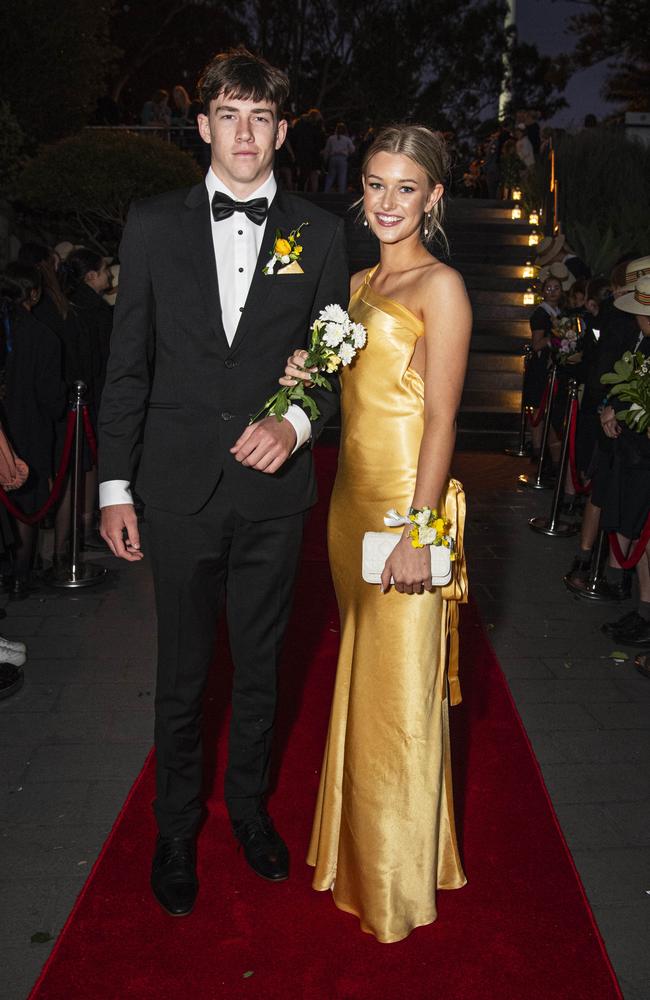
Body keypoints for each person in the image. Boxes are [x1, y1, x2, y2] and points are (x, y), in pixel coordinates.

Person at [98, 47, 348, 918]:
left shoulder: (319, 231)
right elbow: (127, 364)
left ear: (282, 129)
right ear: (202, 125)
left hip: (273, 497)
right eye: (230, 116)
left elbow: (329, 361)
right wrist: (113, 487)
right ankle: (174, 832)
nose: (246, 134)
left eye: (263, 117)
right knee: (182, 671)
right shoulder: (154, 221)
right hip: (173, 490)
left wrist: (297, 420)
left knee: (262, 668)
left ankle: (247, 811)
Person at [284, 124, 472, 942]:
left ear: (432, 197)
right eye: (374, 184)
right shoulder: (357, 282)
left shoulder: (442, 287)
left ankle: (395, 885)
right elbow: (350, 398)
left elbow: (441, 422)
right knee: (361, 684)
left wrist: (418, 534)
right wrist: (306, 374)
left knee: (398, 701)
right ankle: (358, 850)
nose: (386, 202)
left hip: (403, 514)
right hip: (347, 513)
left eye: (405, 187)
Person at [0, 264, 66, 598]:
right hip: (29, 429)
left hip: (10, 426)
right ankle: (19, 576)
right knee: (26, 505)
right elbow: (51, 397)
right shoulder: (42, 336)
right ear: (34, 294)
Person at [323, 122, 355, 193]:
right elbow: (352, 150)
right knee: (342, 176)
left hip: (333, 158)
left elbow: (327, 150)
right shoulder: (347, 139)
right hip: (343, 158)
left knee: (331, 175)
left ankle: (326, 190)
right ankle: (341, 192)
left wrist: (325, 159)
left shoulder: (331, 138)